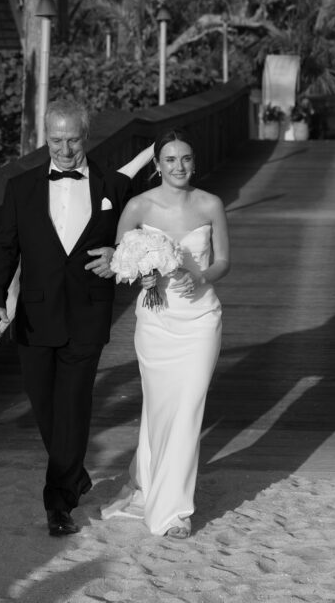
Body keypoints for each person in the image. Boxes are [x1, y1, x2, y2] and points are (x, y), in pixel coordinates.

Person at [0, 99, 151, 538]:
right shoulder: (21, 188)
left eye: (72, 139)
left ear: (86, 137)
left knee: (73, 408)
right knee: (45, 409)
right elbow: (4, 248)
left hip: (88, 316)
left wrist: (119, 255)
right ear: (46, 138)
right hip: (35, 317)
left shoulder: (115, 185)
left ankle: (59, 503)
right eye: (56, 140)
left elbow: (141, 237)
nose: (64, 149)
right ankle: (74, 475)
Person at [101, 128, 230, 539]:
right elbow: (122, 258)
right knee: (159, 409)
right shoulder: (138, 205)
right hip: (156, 322)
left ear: (194, 162)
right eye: (171, 160)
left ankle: (174, 512)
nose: (179, 167)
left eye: (186, 159)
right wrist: (142, 276)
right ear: (157, 165)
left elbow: (224, 260)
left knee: (189, 407)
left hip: (200, 320)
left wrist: (203, 276)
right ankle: (144, 475)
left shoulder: (211, 203)